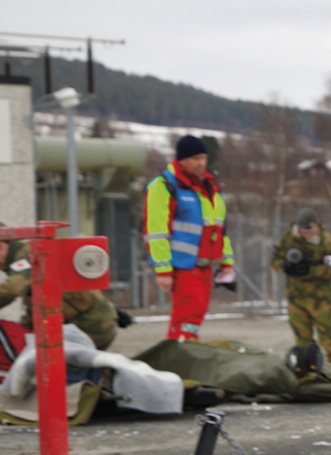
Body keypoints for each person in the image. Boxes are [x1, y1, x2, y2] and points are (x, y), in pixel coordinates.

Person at [143, 135, 235, 341]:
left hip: (205, 266)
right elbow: (156, 232)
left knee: (195, 313)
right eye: (195, 158)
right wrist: (163, 269)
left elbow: (220, 231)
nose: (201, 163)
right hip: (182, 266)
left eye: (203, 158)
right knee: (189, 314)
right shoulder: (164, 186)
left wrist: (226, 263)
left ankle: (179, 351)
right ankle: (184, 352)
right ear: (181, 159)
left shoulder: (210, 188)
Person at [0, 228, 130, 351]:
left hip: (89, 325)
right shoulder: (24, 260)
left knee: (51, 365)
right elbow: (37, 308)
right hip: (84, 323)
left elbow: (11, 289)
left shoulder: (28, 255)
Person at [271, 208, 331, 364]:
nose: (306, 234)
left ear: (317, 225)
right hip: (296, 297)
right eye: (303, 231)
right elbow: (274, 260)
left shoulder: (329, 243)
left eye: (310, 231)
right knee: (302, 338)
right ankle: (307, 369)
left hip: (321, 299)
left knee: (330, 338)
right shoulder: (288, 238)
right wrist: (286, 267)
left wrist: (308, 270)